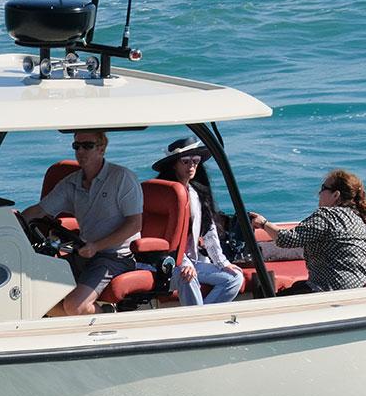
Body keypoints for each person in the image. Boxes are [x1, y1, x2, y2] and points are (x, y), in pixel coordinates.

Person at [23, 131, 143, 315]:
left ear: (102, 148)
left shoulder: (122, 178)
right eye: (76, 146)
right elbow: (39, 211)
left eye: (87, 146)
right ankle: (76, 329)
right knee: (36, 297)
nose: (81, 151)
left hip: (115, 257)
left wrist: (97, 246)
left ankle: (111, 322)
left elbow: (134, 225)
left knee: (75, 305)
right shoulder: (71, 183)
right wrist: (12, 225)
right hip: (83, 253)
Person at [249, 169, 366, 295]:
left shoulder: (328, 215)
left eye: (323, 188)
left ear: (336, 195)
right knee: (298, 286)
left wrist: (263, 224)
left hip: (331, 290)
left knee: (265, 291)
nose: (319, 193)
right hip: (358, 287)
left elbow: (286, 239)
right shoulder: (357, 219)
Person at [153, 137, 243, 306]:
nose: (192, 166)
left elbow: (209, 230)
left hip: (192, 260)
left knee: (234, 277)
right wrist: (184, 263)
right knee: (188, 275)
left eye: (195, 161)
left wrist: (222, 262)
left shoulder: (196, 193)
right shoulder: (163, 194)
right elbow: (166, 236)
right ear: (174, 165)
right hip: (165, 261)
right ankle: (198, 321)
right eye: (185, 161)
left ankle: (202, 318)